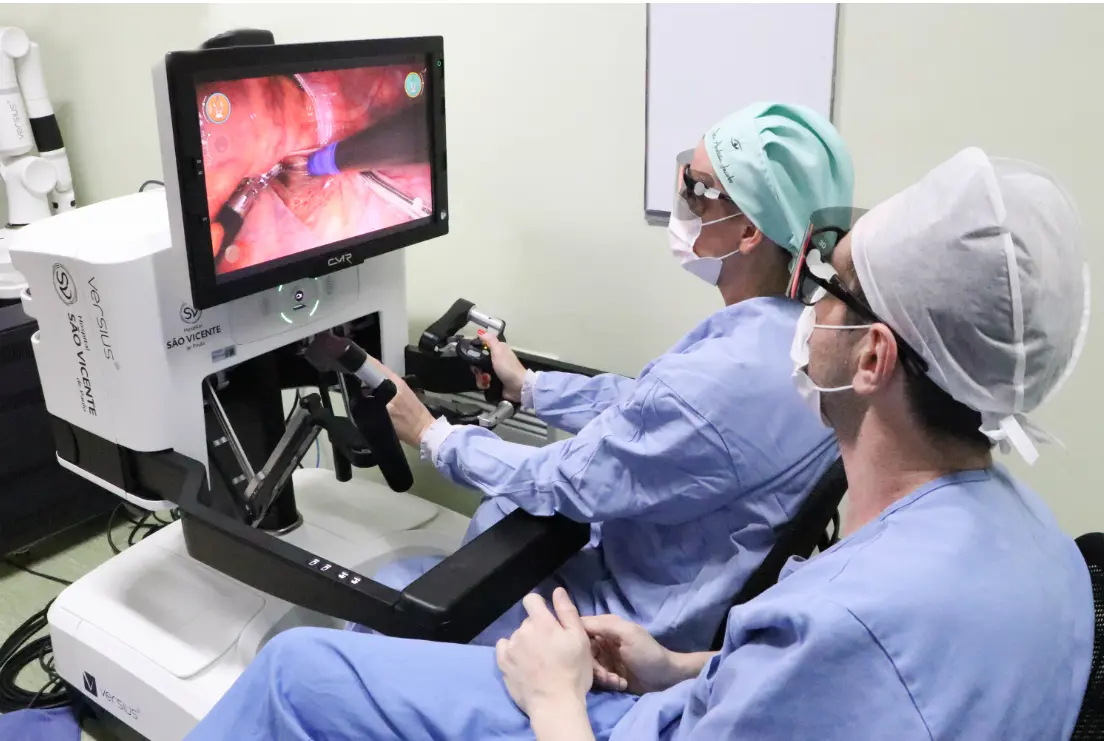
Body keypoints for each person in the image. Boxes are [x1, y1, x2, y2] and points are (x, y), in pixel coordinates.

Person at [186, 147, 1092, 741]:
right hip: (675, 681)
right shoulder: (1041, 553)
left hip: (600, 719)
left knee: (297, 670)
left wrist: (555, 693)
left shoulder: (856, 619)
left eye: (832, 290)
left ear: (873, 357)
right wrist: (681, 667)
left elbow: (590, 467)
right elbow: (794, 682)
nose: (809, 308)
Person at [356, 101, 854, 651]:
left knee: (388, 596)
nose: (685, 201)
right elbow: (645, 409)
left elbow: (562, 479)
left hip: (628, 627)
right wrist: (531, 387)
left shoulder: (714, 384)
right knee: (499, 510)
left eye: (698, 189)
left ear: (749, 232)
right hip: (685, 560)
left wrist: (431, 434)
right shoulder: (800, 338)